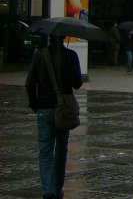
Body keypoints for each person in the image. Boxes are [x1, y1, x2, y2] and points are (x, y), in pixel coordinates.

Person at [25, 34, 83, 199]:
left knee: (45, 150)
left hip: (44, 108)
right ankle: (57, 188)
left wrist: (35, 103)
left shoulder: (39, 55)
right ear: (65, 37)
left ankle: (48, 190)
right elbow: (77, 83)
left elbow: (29, 84)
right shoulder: (71, 55)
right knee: (61, 149)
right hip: (63, 109)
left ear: (49, 37)